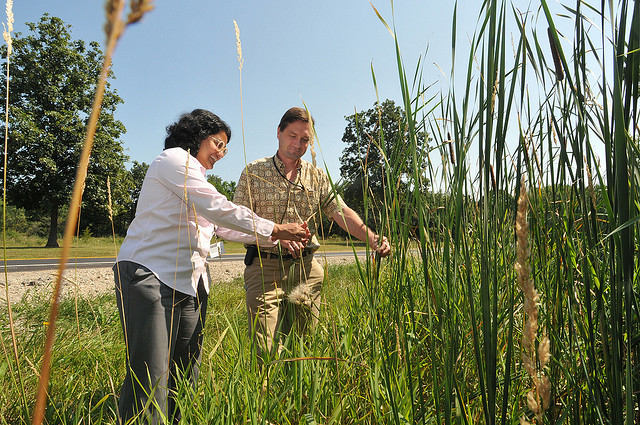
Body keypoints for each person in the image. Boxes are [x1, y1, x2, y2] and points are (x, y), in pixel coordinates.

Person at [113, 109, 309, 424]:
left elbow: (224, 227)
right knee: (151, 374)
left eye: (224, 148)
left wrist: (276, 241)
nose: (220, 153)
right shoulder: (173, 161)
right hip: (149, 275)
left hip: (189, 284)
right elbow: (219, 208)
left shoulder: (198, 177)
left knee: (185, 372)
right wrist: (276, 227)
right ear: (197, 136)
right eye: (217, 144)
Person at [233, 106, 391, 360]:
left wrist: (372, 239)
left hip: (307, 270)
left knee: (304, 349)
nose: (298, 144)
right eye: (292, 136)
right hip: (264, 269)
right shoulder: (254, 172)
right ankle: (264, 395)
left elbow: (341, 212)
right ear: (279, 132)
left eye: (305, 139)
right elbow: (236, 222)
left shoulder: (316, 175)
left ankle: (302, 398)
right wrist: (275, 237)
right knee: (265, 350)